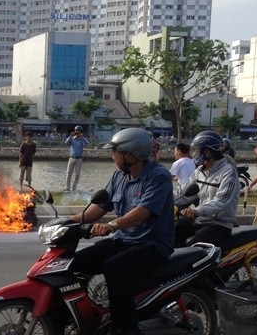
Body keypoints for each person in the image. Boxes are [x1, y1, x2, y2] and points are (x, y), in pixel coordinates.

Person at [69, 128, 175, 335]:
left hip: (152, 245)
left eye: (114, 152)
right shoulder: (119, 176)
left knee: (114, 267)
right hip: (124, 241)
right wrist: (68, 222)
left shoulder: (158, 176)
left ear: (129, 154)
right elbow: (99, 207)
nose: (112, 156)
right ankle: (89, 316)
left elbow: (143, 212)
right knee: (76, 262)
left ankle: (125, 328)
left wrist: (112, 225)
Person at [174, 130, 240, 248]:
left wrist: (197, 211)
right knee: (171, 233)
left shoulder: (228, 171)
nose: (193, 154)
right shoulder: (199, 171)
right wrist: (162, 198)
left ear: (208, 152)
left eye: (196, 150)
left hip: (219, 225)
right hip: (200, 220)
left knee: (191, 250)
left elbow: (222, 201)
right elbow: (183, 192)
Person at [65, 125, 89, 191]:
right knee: (69, 173)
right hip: (71, 158)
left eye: (78, 131)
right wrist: (70, 136)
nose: (77, 132)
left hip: (79, 159)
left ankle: (74, 187)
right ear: (74, 131)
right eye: (76, 130)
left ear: (80, 132)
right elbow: (66, 142)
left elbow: (87, 144)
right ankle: (67, 187)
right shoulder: (72, 139)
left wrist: (82, 137)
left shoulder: (82, 139)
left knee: (77, 174)